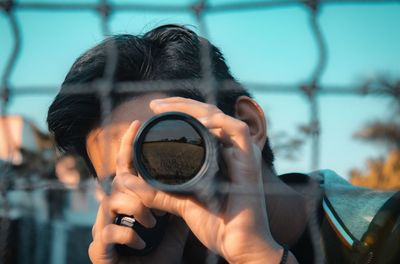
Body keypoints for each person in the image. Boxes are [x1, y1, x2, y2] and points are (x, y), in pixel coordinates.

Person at [47, 24, 399, 263]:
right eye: (125, 178)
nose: (155, 189)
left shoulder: (387, 231)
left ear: (248, 125)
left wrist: (255, 255)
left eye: (166, 147)